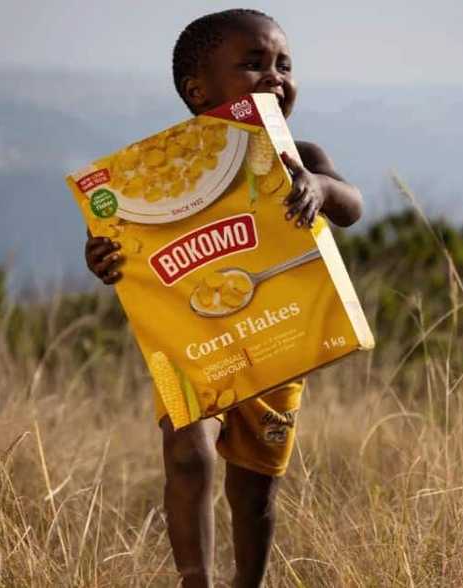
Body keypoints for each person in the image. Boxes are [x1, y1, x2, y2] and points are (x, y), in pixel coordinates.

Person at [83, 9, 363, 587]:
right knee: (187, 452)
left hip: (274, 345)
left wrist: (319, 186)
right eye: (253, 64)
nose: (275, 76)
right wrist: (101, 258)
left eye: (284, 64)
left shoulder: (299, 152)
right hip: (193, 341)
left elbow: (352, 207)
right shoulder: (157, 171)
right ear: (198, 89)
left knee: (255, 491)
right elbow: (117, 240)